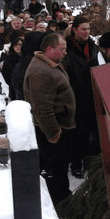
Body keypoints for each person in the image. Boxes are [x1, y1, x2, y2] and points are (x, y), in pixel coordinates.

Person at [23, 32, 76, 206]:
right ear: (49, 49)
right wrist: (53, 133)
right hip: (52, 132)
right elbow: (42, 107)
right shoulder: (41, 72)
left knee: (60, 167)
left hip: (59, 128)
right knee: (55, 169)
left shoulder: (49, 64)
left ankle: (63, 196)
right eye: (62, 49)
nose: (65, 53)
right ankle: (59, 203)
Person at [65, 15, 100, 178]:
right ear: (74, 30)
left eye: (88, 29)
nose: (87, 32)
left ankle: (89, 160)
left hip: (91, 93)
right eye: (83, 29)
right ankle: (76, 162)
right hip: (74, 93)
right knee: (76, 132)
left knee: (91, 130)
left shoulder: (93, 47)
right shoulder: (67, 48)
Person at [0, 35, 24, 101]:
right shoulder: (9, 58)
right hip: (13, 87)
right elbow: (5, 73)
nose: (18, 47)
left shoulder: (26, 58)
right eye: (16, 45)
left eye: (20, 45)